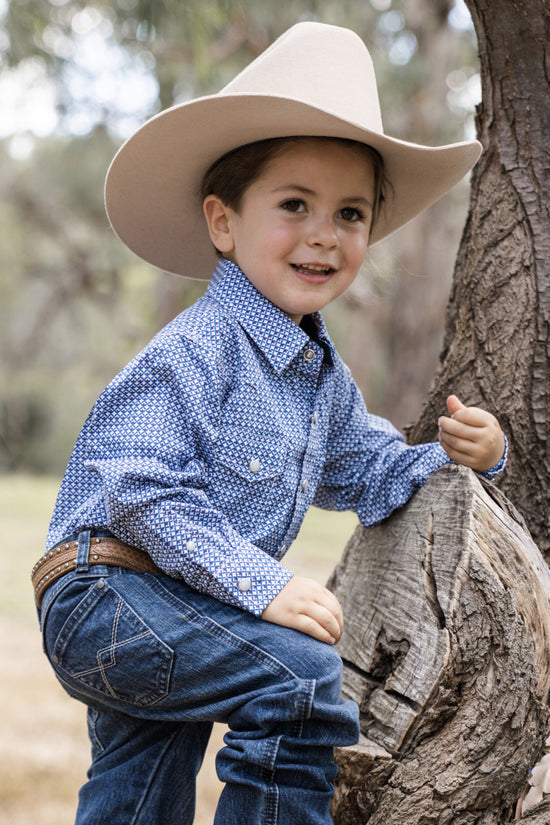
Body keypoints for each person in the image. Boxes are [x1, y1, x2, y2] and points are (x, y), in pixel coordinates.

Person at [33, 21, 507, 825]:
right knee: (299, 676)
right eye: (295, 205)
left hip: (175, 606)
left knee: (138, 793)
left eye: (351, 213)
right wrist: (264, 584)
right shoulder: (198, 349)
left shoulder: (320, 381)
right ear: (223, 222)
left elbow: (371, 473)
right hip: (103, 591)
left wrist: (473, 456)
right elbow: (141, 488)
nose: (325, 233)